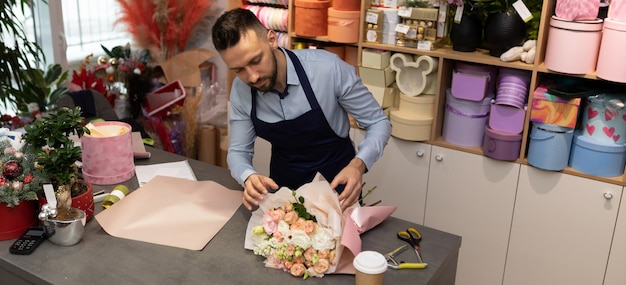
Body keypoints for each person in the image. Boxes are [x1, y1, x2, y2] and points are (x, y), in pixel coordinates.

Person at [211, 8, 391, 211]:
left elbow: (378, 122)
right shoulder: (241, 90)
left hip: (339, 191)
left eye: (255, 61)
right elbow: (237, 151)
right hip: (285, 195)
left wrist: (358, 165)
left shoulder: (328, 70)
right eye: (239, 70)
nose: (252, 77)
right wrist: (248, 176)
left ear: (272, 39)